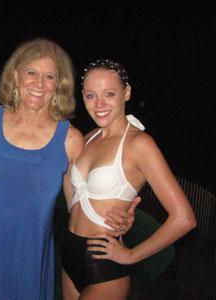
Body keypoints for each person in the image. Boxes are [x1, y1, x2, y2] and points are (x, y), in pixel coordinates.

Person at [0, 39, 139, 300]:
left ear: (59, 84)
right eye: (31, 73)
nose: (39, 84)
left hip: (30, 247)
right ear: (16, 76)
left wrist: (119, 217)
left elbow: (80, 202)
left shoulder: (70, 139)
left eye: (49, 76)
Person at [61, 58, 197, 300]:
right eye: (91, 95)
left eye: (109, 94)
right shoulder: (89, 137)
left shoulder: (139, 144)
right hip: (69, 251)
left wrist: (131, 255)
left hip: (104, 264)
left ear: (126, 93)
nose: (99, 104)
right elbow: (74, 192)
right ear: (82, 96)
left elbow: (184, 218)